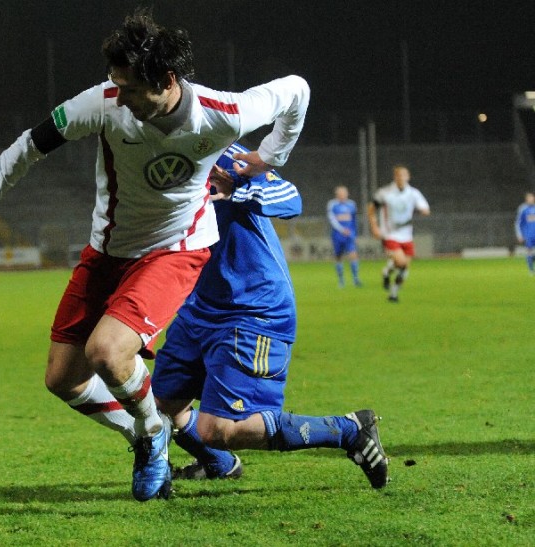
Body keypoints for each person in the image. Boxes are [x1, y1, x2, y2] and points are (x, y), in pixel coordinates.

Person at [0, 10, 309, 501]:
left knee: (107, 352)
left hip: (176, 249)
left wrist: (268, 157)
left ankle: (153, 433)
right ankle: (146, 429)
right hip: (109, 250)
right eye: (116, 83)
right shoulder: (104, 102)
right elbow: (31, 144)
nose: (121, 95)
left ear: (167, 81)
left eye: (131, 88)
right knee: (63, 379)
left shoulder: (224, 112)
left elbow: (297, 90)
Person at [151, 143, 388, 489]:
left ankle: (349, 430)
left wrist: (239, 190)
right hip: (198, 306)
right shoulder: (139, 159)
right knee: (159, 403)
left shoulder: (219, 150)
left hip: (252, 308)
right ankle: (220, 464)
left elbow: (290, 198)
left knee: (218, 429)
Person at [368, 165, 430, 303]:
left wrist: (424, 210)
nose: (401, 178)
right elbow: (371, 209)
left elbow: (425, 207)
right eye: (398, 175)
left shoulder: (413, 193)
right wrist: (374, 227)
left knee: (404, 268)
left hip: (407, 236)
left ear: (408, 177)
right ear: (395, 177)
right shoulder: (385, 193)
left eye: (403, 175)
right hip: (390, 235)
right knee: (401, 263)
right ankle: (389, 273)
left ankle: (393, 292)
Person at [326, 185, 361, 287]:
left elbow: (354, 220)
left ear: (347, 194)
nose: (342, 195)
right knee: (338, 256)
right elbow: (332, 219)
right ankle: (341, 280)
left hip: (349, 234)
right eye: (340, 193)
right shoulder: (332, 204)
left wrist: (354, 233)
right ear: (337, 194)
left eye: (344, 193)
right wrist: (341, 229)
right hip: (338, 235)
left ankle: (356, 279)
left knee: (353, 255)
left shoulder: (351, 204)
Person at [515, 192, 535, 275]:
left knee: (531, 254)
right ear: (526, 199)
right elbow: (518, 223)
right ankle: (531, 270)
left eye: (532, 197)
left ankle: (532, 259)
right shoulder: (523, 208)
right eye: (529, 198)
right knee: (529, 251)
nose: (531, 199)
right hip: (528, 235)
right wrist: (519, 235)